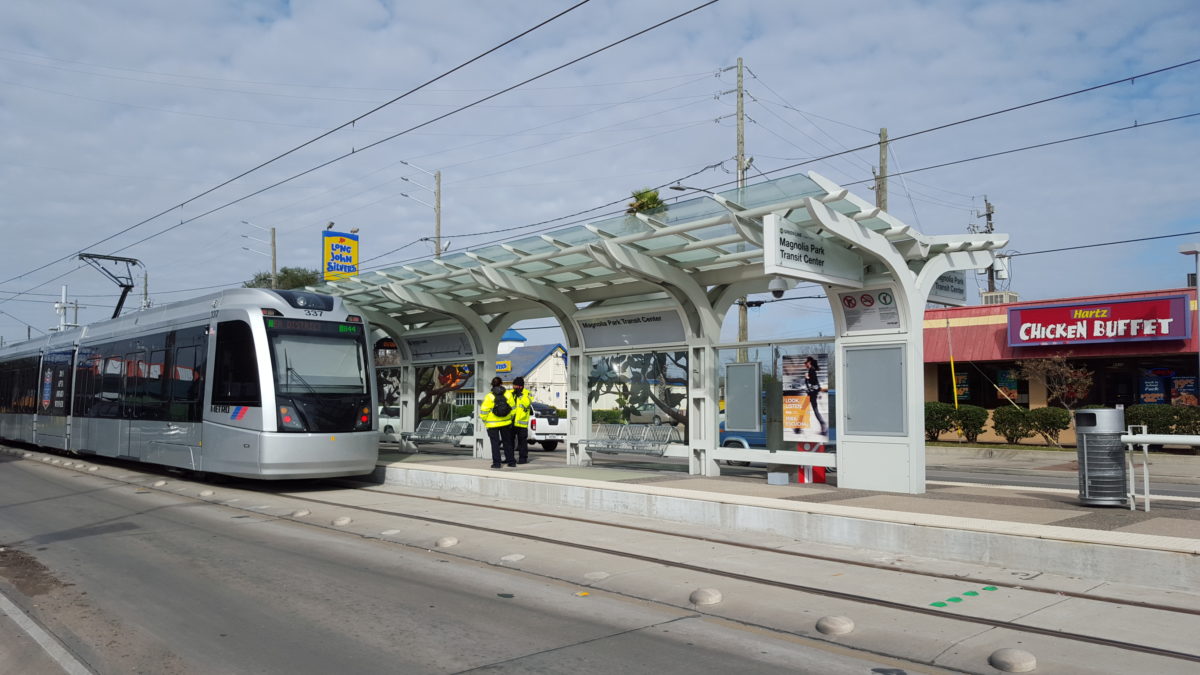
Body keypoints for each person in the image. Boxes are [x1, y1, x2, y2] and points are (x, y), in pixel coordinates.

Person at [480, 376, 516, 468]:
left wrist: (485, 421)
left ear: (492, 385)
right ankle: (511, 462)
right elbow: (513, 409)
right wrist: (510, 418)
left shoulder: (489, 396)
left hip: (492, 424)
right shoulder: (508, 394)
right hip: (506, 423)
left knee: (495, 444)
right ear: (501, 384)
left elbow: (484, 411)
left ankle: (497, 463)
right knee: (507, 442)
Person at [510, 376, 533, 464]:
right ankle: (510, 458)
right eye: (513, 385)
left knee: (522, 442)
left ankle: (523, 458)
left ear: (520, 386)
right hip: (511, 421)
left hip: (521, 423)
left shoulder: (527, 394)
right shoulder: (511, 393)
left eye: (515, 385)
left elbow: (527, 403)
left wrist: (520, 395)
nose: (514, 387)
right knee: (509, 441)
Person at [805, 356, 828, 436]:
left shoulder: (812, 370)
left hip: (812, 394)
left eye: (807, 362)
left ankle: (823, 426)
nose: (805, 364)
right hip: (812, 393)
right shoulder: (812, 370)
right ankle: (798, 428)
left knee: (815, 410)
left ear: (809, 363)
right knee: (810, 410)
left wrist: (807, 378)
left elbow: (813, 382)